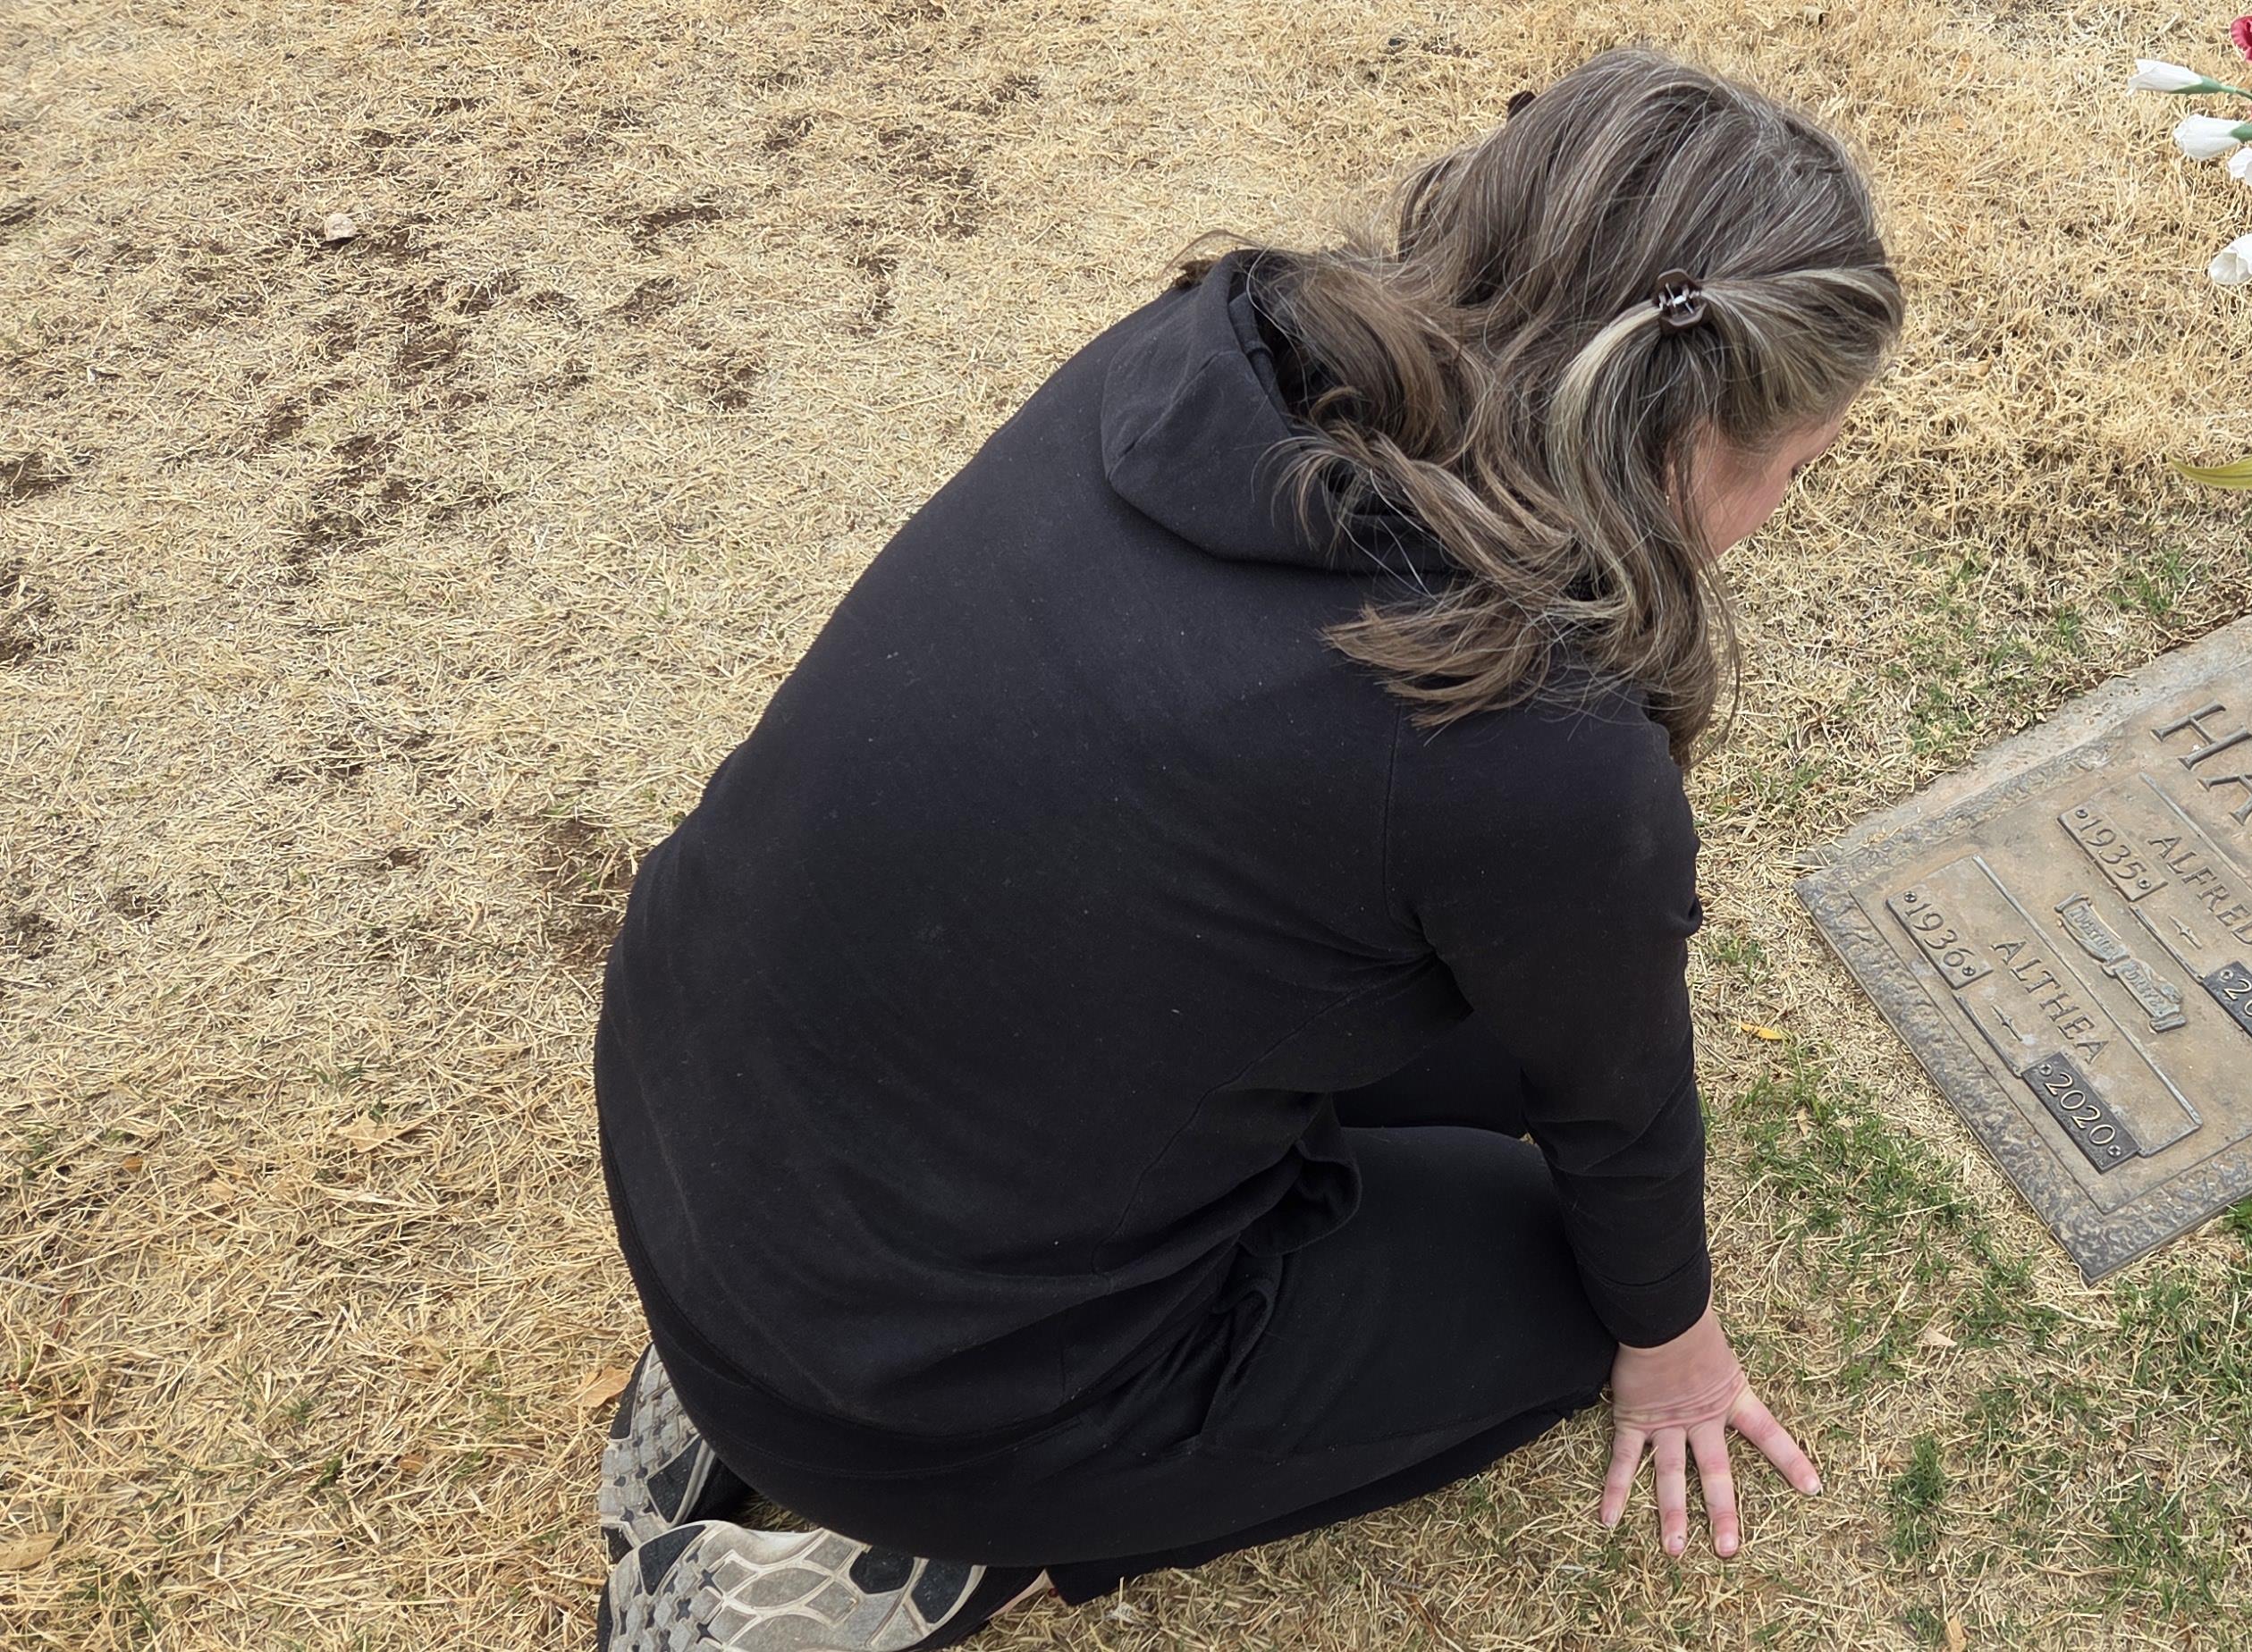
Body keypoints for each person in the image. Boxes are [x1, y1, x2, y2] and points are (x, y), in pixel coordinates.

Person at [586, 49, 1903, 1651]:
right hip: (915, 1392)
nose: (1774, 512)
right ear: (1687, 438)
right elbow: (1619, 1108)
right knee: (1574, 1297)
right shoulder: (1540, 743)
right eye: (1795, 469)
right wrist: (1674, 1347)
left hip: (698, 1122)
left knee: (1497, 1062)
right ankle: (972, 1540)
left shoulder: (1212, 345)